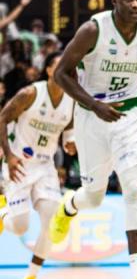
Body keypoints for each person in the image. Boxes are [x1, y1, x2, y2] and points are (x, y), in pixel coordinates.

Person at [49, 0, 137, 279]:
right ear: (114, 2)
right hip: (92, 116)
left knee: (133, 188)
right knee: (94, 196)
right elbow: (61, 73)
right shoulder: (92, 30)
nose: (136, 4)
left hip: (130, 117)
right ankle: (70, 205)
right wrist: (94, 104)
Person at [0, 52, 75, 279]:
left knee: (50, 224)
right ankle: (3, 213)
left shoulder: (71, 101)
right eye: (61, 65)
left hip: (45, 167)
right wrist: (9, 155)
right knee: (20, 227)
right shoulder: (30, 93)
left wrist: (71, 144)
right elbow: (2, 118)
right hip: (19, 163)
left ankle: (32, 275)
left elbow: (68, 135)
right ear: (50, 70)